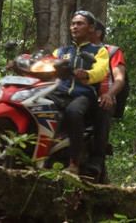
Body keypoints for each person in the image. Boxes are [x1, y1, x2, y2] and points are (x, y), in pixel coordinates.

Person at [50, 10, 109, 175]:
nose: (75, 27)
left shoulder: (98, 50)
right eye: (73, 24)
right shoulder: (61, 51)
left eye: (80, 24)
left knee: (73, 112)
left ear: (90, 28)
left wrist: (88, 74)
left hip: (83, 95)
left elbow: (101, 69)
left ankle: (74, 163)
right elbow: (45, 64)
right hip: (58, 93)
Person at [84, 18, 127, 181]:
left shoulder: (111, 51)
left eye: (88, 29)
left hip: (102, 98)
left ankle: (96, 161)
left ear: (98, 32)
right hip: (79, 96)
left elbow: (119, 78)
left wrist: (109, 94)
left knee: (103, 107)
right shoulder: (73, 51)